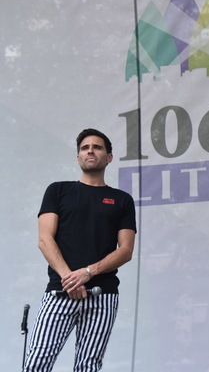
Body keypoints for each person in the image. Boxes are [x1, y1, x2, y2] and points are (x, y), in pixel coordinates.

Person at [23, 128, 137, 372]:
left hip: (102, 295)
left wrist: (87, 272)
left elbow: (126, 250)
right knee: (36, 364)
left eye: (97, 147)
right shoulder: (58, 190)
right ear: (78, 158)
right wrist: (69, 279)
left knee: (88, 367)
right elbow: (44, 239)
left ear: (109, 157)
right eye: (85, 148)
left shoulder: (122, 200)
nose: (90, 151)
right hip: (59, 293)